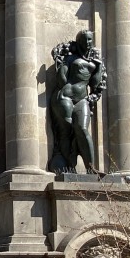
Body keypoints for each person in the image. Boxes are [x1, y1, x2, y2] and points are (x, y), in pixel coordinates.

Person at [49, 29, 107, 175]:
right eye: (85, 39)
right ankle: (69, 166)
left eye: (90, 39)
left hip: (82, 99)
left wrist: (99, 66)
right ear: (79, 41)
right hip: (64, 96)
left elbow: (95, 85)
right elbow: (62, 80)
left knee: (81, 129)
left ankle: (91, 168)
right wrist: (60, 64)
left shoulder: (94, 63)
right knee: (66, 130)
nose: (89, 42)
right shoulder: (70, 59)